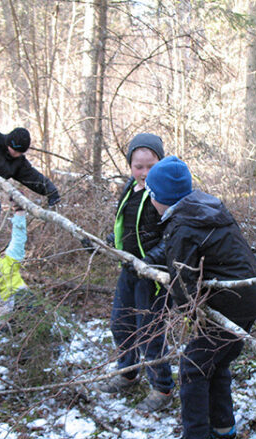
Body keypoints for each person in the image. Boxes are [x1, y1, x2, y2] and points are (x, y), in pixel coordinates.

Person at [145, 156, 256, 439]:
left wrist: (188, 316)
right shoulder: (206, 208)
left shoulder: (182, 225)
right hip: (251, 297)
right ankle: (223, 426)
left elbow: (183, 281)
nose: (150, 199)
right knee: (217, 361)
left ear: (162, 198)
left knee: (193, 365)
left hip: (230, 305)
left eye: (151, 193)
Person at [98, 132, 174, 409]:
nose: (143, 173)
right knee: (121, 324)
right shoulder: (131, 187)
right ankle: (128, 373)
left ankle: (162, 389)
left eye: (150, 166)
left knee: (149, 332)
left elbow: (174, 236)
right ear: (130, 166)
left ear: (161, 163)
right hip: (129, 270)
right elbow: (128, 223)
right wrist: (112, 240)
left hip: (153, 276)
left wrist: (150, 260)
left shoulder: (165, 191)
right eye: (138, 166)